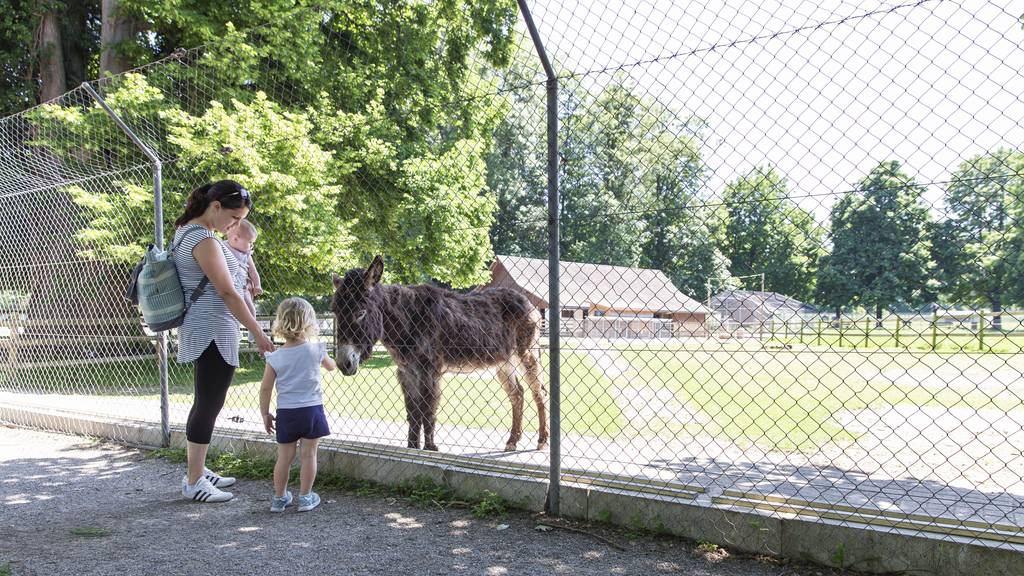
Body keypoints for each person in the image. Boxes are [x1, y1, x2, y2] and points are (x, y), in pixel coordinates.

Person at [173, 179, 275, 503]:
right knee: (209, 403)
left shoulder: (190, 233)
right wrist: (258, 332)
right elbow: (228, 291)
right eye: (234, 218)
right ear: (215, 207)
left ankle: (198, 470)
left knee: (206, 401)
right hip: (212, 328)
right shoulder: (203, 239)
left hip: (210, 327)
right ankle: (193, 482)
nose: (236, 225)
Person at [259, 297, 335, 512]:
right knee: (309, 454)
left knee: (284, 456)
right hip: (311, 411)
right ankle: (305, 497)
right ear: (309, 323)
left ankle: (279, 498)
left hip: (286, 413)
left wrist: (265, 413)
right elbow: (332, 367)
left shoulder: (275, 357)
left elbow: (265, 388)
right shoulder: (316, 350)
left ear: (280, 323)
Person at [225, 219, 263, 340]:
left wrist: (257, 285)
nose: (252, 246)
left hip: (242, 285)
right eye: (250, 242)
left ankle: (253, 328)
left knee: (250, 308)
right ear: (235, 239)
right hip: (228, 286)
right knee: (231, 310)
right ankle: (235, 330)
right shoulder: (222, 247)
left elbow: (253, 271)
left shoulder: (246, 254)